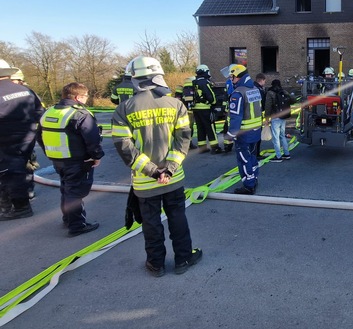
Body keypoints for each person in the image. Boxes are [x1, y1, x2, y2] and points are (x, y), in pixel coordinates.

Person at [112, 56, 202, 277]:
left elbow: (125, 147)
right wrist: (168, 169)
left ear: (134, 78)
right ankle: (183, 259)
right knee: (178, 218)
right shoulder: (176, 104)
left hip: (145, 182)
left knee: (151, 223)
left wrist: (152, 171)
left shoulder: (124, 109)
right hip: (173, 178)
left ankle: (156, 264)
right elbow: (183, 140)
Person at [37, 82, 103, 235]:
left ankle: (68, 218)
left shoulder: (49, 112)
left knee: (66, 188)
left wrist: (49, 153)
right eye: (86, 96)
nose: (87, 99)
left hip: (58, 160)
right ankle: (77, 225)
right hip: (78, 161)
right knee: (75, 192)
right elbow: (92, 139)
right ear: (78, 97)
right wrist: (96, 156)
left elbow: (40, 136)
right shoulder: (80, 114)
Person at [0, 60, 44, 220]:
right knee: (22, 166)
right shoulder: (25, 90)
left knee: (11, 173)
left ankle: (20, 208)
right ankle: (24, 195)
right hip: (28, 137)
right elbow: (40, 111)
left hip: (6, 140)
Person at [223, 64, 263, 195]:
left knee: (243, 159)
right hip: (256, 131)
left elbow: (236, 117)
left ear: (237, 76)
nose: (231, 79)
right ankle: (254, 178)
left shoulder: (238, 93)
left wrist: (229, 135)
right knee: (252, 157)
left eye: (232, 77)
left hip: (243, 134)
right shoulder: (255, 89)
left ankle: (248, 185)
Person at [192, 65, 222, 154]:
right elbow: (211, 97)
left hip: (195, 109)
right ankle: (215, 147)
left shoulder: (194, 82)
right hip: (205, 108)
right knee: (210, 127)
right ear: (205, 71)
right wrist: (214, 102)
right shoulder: (204, 82)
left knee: (200, 127)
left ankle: (202, 147)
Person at [264, 79, 292, 163]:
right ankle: (287, 154)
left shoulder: (270, 93)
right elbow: (292, 99)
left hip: (275, 117)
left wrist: (267, 118)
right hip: (283, 116)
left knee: (275, 137)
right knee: (282, 135)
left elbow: (268, 106)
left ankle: (278, 156)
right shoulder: (283, 91)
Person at [253, 73, 266, 158]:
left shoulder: (252, 88)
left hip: (251, 116)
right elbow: (263, 103)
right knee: (257, 136)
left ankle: (254, 153)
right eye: (265, 81)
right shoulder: (259, 90)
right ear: (261, 80)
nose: (265, 82)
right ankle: (256, 154)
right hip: (256, 116)